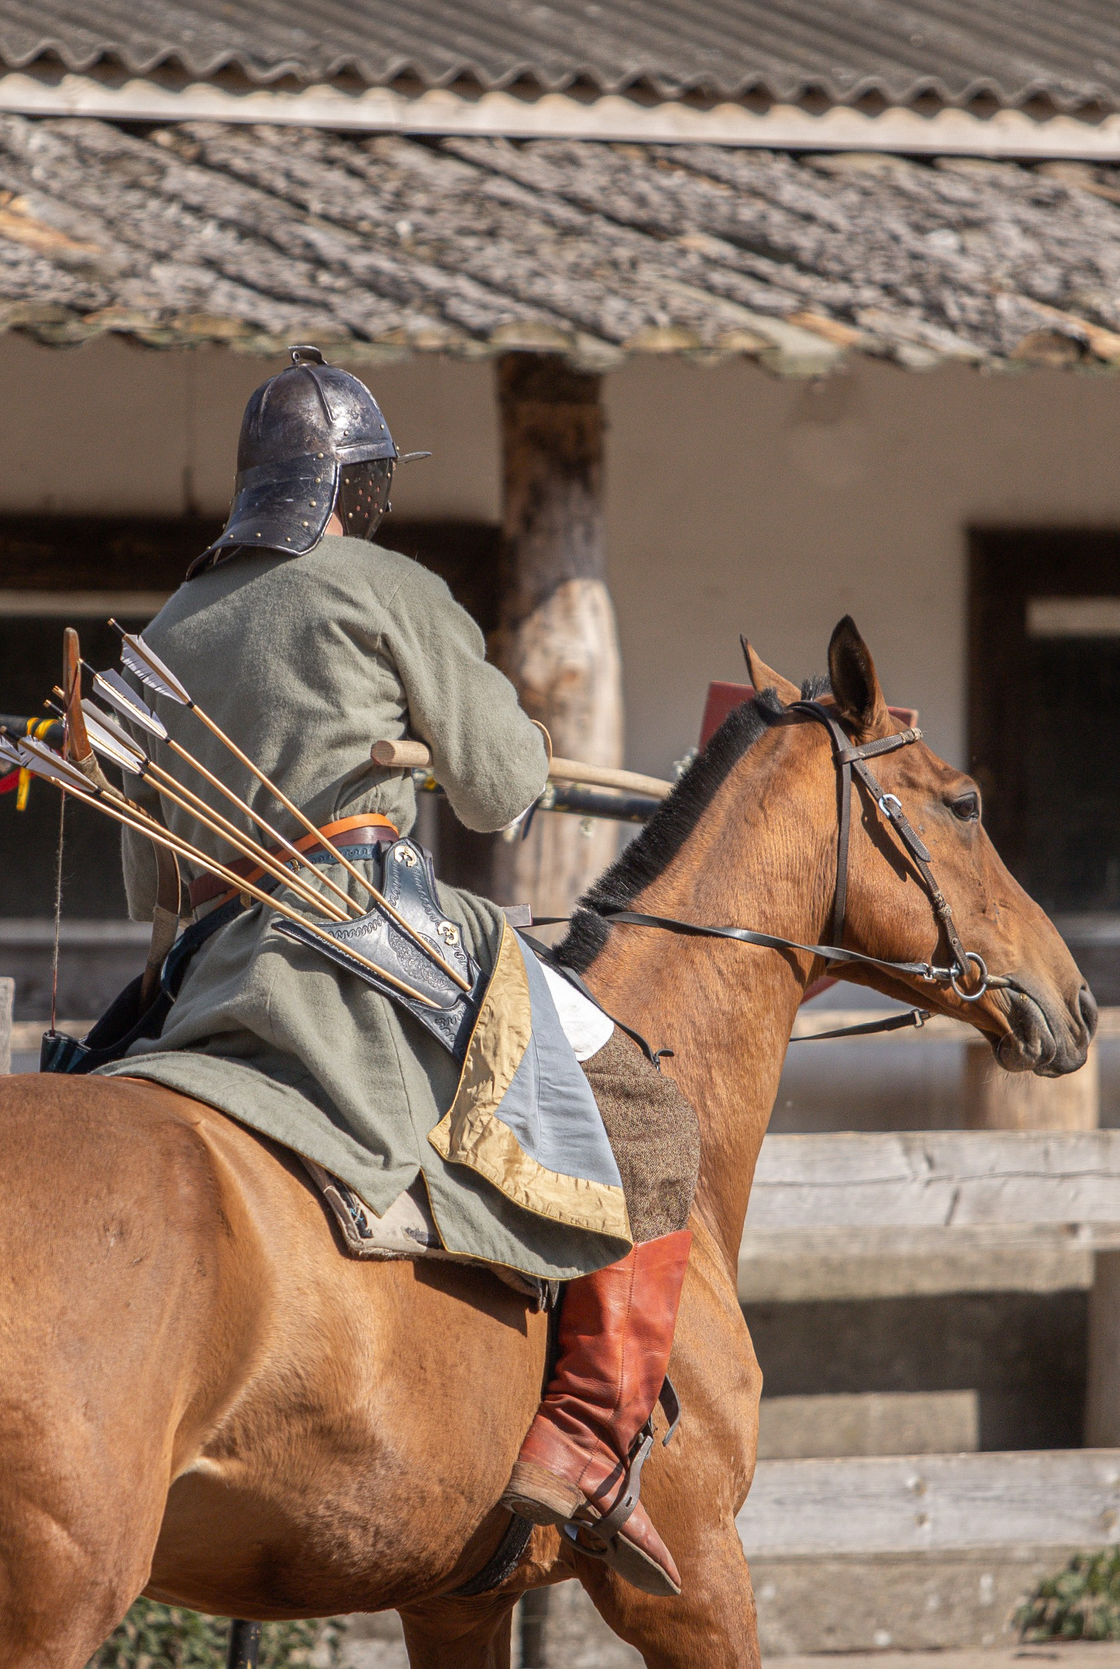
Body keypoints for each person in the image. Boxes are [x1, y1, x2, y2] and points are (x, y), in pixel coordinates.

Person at [97, 348, 699, 1597]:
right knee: (646, 1109)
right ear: (349, 487)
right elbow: (500, 787)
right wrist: (505, 747)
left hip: (202, 972)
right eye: (370, 482)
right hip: (368, 938)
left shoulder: (166, 626)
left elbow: (142, 882)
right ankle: (587, 1439)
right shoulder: (384, 586)